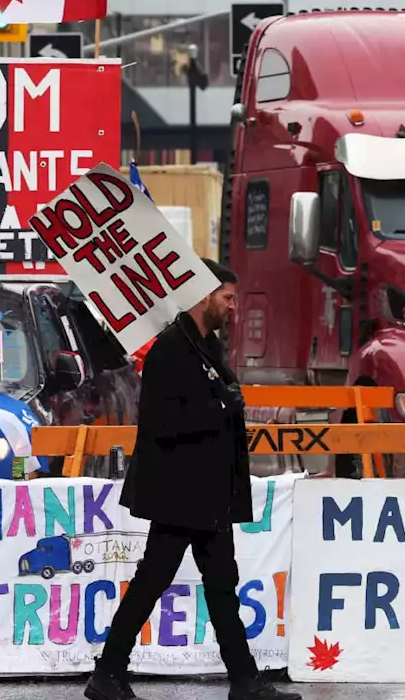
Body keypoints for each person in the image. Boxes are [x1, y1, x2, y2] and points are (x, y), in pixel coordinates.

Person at [85, 260, 300, 700]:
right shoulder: (171, 348)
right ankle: (107, 673)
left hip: (209, 492)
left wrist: (225, 406)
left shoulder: (206, 345)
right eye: (227, 297)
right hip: (180, 493)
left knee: (222, 584)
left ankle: (243, 681)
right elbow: (162, 423)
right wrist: (223, 407)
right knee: (154, 580)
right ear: (203, 296)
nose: (234, 306)